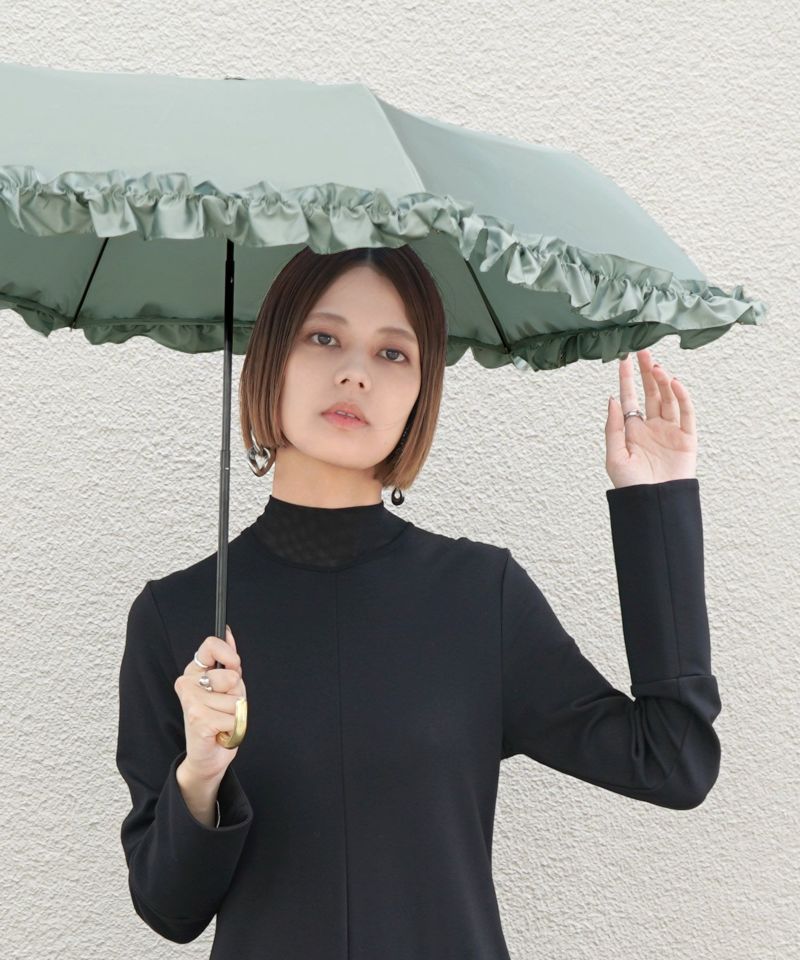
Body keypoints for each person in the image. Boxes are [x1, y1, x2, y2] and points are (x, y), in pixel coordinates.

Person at [115, 244, 721, 958]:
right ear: (271, 358)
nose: (355, 373)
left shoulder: (480, 596)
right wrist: (199, 775)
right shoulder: (178, 618)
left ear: (420, 393)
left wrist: (655, 504)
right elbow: (169, 909)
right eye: (324, 337)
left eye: (393, 353)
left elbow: (673, 760)